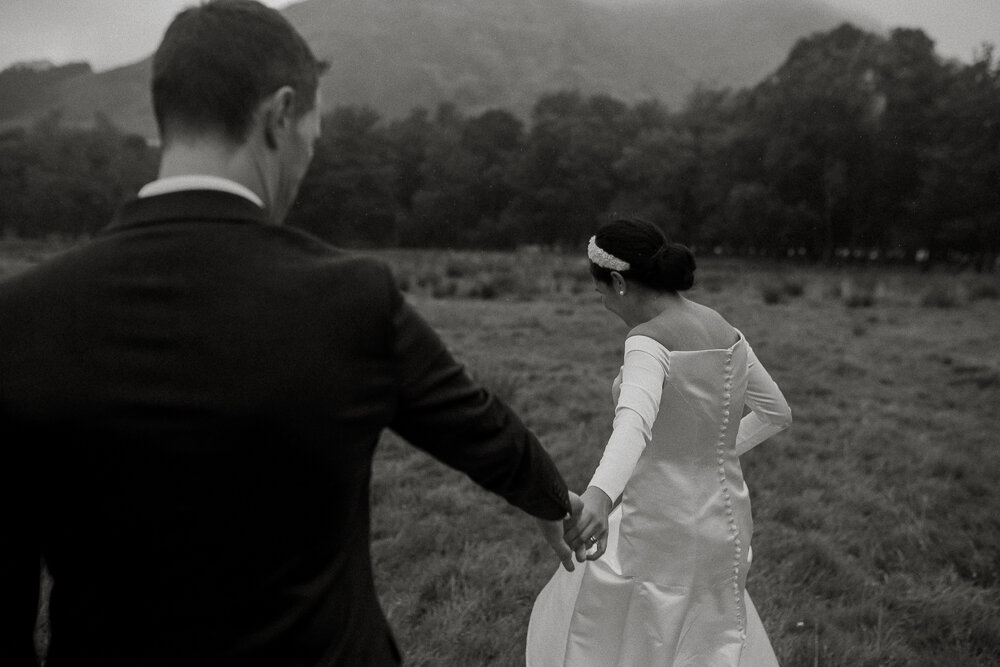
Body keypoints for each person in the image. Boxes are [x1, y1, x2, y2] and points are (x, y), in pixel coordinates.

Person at [0, 2, 581, 665]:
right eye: (313, 132)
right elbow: (475, 425)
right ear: (280, 116)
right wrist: (551, 498)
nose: (308, 157)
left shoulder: (20, 316)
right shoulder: (350, 298)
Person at [526, 218, 792, 666]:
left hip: (662, 523)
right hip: (726, 519)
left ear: (619, 282)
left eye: (601, 294)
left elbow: (633, 423)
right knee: (707, 638)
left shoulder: (648, 340)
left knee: (640, 636)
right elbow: (777, 413)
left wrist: (599, 495)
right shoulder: (724, 328)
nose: (605, 304)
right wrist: (709, 454)